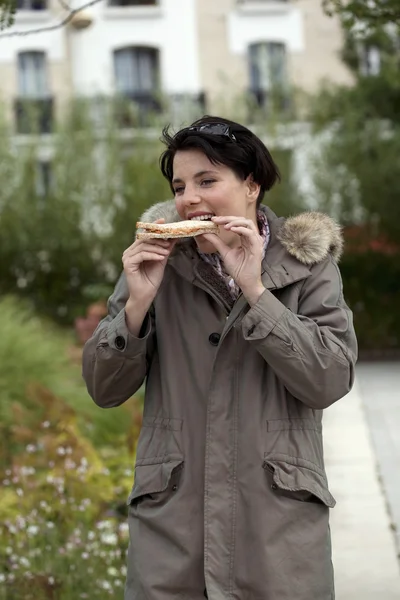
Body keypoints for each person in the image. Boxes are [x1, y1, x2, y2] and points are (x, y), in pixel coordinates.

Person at [82, 116, 358, 600]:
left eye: (208, 181)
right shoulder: (156, 264)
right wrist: (136, 308)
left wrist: (256, 292)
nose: (189, 198)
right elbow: (104, 391)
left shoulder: (308, 268)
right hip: (173, 534)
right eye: (180, 185)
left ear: (251, 185)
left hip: (276, 534)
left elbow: (330, 379)